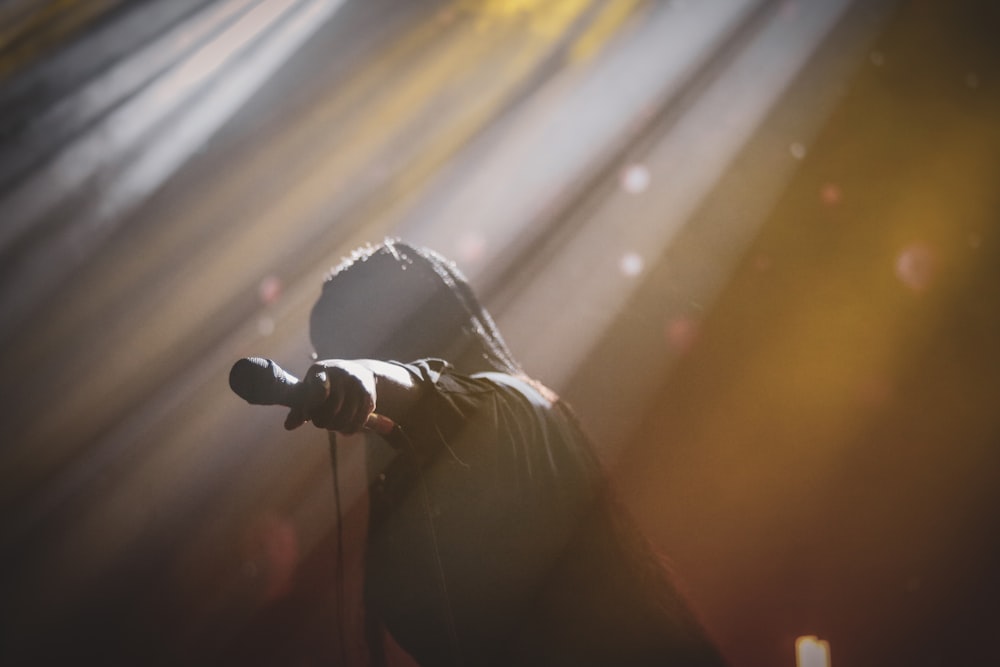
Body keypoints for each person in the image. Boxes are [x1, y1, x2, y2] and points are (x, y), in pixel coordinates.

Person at [283, 239, 727, 666]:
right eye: (326, 354)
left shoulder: (495, 407)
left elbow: (429, 392)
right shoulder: (520, 409)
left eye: (347, 344)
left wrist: (363, 375)